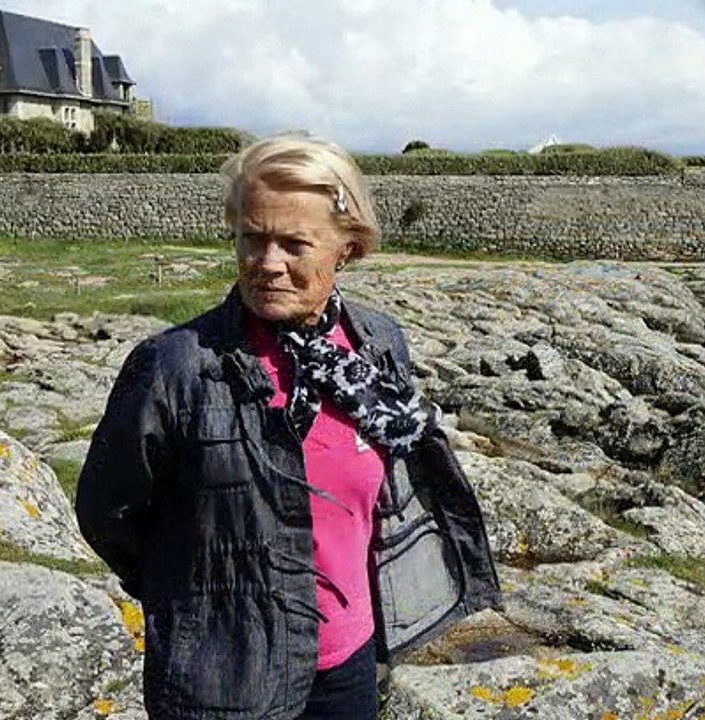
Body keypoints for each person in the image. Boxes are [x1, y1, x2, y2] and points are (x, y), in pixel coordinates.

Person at [74, 132, 502, 720]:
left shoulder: (376, 345)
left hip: (349, 661)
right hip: (223, 674)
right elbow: (108, 510)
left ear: (346, 249)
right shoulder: (175, 365)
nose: (268, 264)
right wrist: (194, 597)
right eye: (252, 238)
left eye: (294, 244)